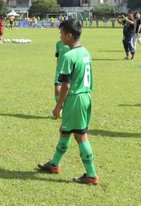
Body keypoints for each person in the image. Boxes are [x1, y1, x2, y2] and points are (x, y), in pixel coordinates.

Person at [38, 19, 99, 185]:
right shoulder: (85, 52)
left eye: (61, 34)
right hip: (85, 97)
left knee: (80, 136)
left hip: (75, 99)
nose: (60, 37)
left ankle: (92, 175)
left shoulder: (68, 55)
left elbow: (65, 84)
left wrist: (58, 106)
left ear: (69, 35)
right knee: (65, 131)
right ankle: (54, 164)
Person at [54, 24, 70, 102]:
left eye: (61, 33)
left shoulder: (72, 45)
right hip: (59, 70)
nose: (60, 35)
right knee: (57, 90)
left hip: (69, 71)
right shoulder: (58, 44)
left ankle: (65, 107)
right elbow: (57, 56)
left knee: (67, 90)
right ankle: (60, 106)